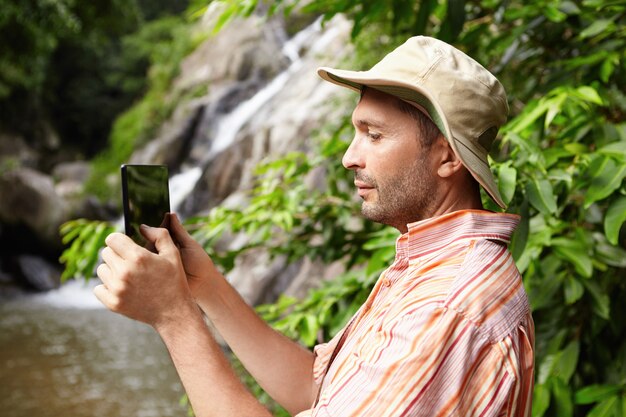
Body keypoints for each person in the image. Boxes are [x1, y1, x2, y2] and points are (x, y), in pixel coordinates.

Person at [95, 36, 534, 417]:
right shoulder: (432, 266)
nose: (349, 157)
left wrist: (174, 317)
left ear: (448, 157)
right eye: (355, 132)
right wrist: (202, 285)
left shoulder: (446, 305)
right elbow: (316, 390)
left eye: (374, 135)